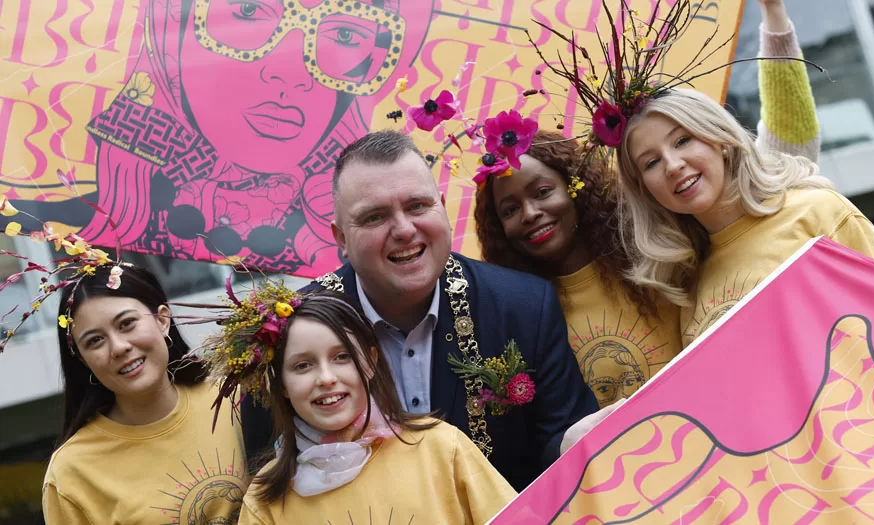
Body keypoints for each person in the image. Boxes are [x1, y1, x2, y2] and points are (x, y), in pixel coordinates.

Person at [473, 0, 822, 407]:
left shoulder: (662, 255)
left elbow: (783, 153)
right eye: (509, 210)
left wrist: (775, 21)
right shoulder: (520, 319)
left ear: (575, 186)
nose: (531, 213)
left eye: (542, 191)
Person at [242, 130, 601, 491]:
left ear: (442, 207)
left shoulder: (522, 306)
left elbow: (562, 445)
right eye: (374, 217)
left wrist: (574, 447)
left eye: (417, 206)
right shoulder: (284, 334)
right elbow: (269, 480)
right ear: (341, 239)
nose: (403, 230)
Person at [8, 0, 434, 276]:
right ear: (171, 32)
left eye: (344, 34)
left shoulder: (390, 240)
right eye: (249, 13)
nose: (287, 73)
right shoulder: (43, 212)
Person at [617, 89, 874, 348]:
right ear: (645, 189)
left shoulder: (818, 211)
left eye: (682, 140)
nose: (673, 165)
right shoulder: (684, 283)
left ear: (721, 140)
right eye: (651, 162)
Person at [237, 291, 515, 524]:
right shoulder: (266, 502)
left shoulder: (441, 448)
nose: (326, 378)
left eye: (342, 357)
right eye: (302, 365)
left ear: (370, 361)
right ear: (282, 384)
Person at [42, 265, 248, 524]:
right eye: (95, 341)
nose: (118, 347)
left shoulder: (236, 397)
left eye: (127, 324)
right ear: (84, 362)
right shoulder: (71, 472)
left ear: (162, 319)